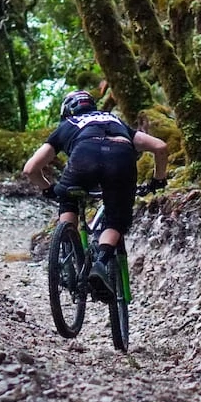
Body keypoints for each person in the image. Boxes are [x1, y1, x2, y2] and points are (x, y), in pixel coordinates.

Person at [23, 89, 168, 296]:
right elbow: (160, 147)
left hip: (84, 158)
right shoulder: (115, 121)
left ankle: (69, 251)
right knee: (116, 219)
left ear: (67, 111)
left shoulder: (68, 125)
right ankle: (100, 262)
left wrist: (49, 189)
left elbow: (30, 169)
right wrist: (158, 179)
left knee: (68, 199)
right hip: (121, 159)